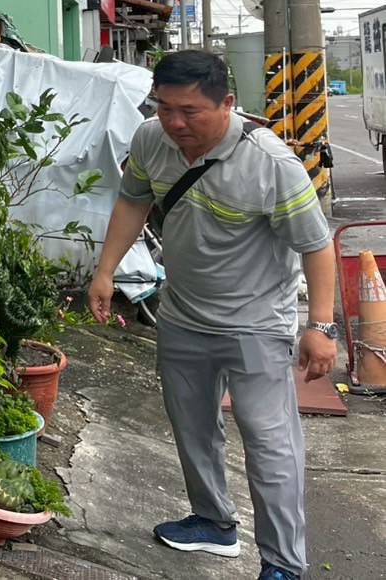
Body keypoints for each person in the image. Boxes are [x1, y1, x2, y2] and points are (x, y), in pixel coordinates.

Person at [87, 51, 335, 580]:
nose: (175, 123)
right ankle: (213, 521)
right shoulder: (151, 139)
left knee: (269, 443)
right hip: (182, 315)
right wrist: (105, 270)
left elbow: (317, 246)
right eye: (164, 108)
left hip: (255, 324)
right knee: (191, 426)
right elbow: (132, 201)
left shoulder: (271, 164)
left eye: (190, 111)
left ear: (227, 104)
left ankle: (283, 564)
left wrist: (320, 326)